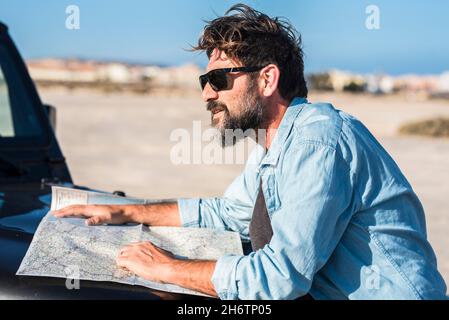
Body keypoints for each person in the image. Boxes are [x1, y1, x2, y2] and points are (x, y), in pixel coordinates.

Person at [52, 4, 447, 299]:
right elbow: (228, 213)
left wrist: (167, 269)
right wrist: (126, 211)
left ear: (267, 79)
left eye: (220, 79)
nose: (208, 93)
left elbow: (279, 277)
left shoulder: (317, 144)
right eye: (204, 81)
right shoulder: (273, 142)